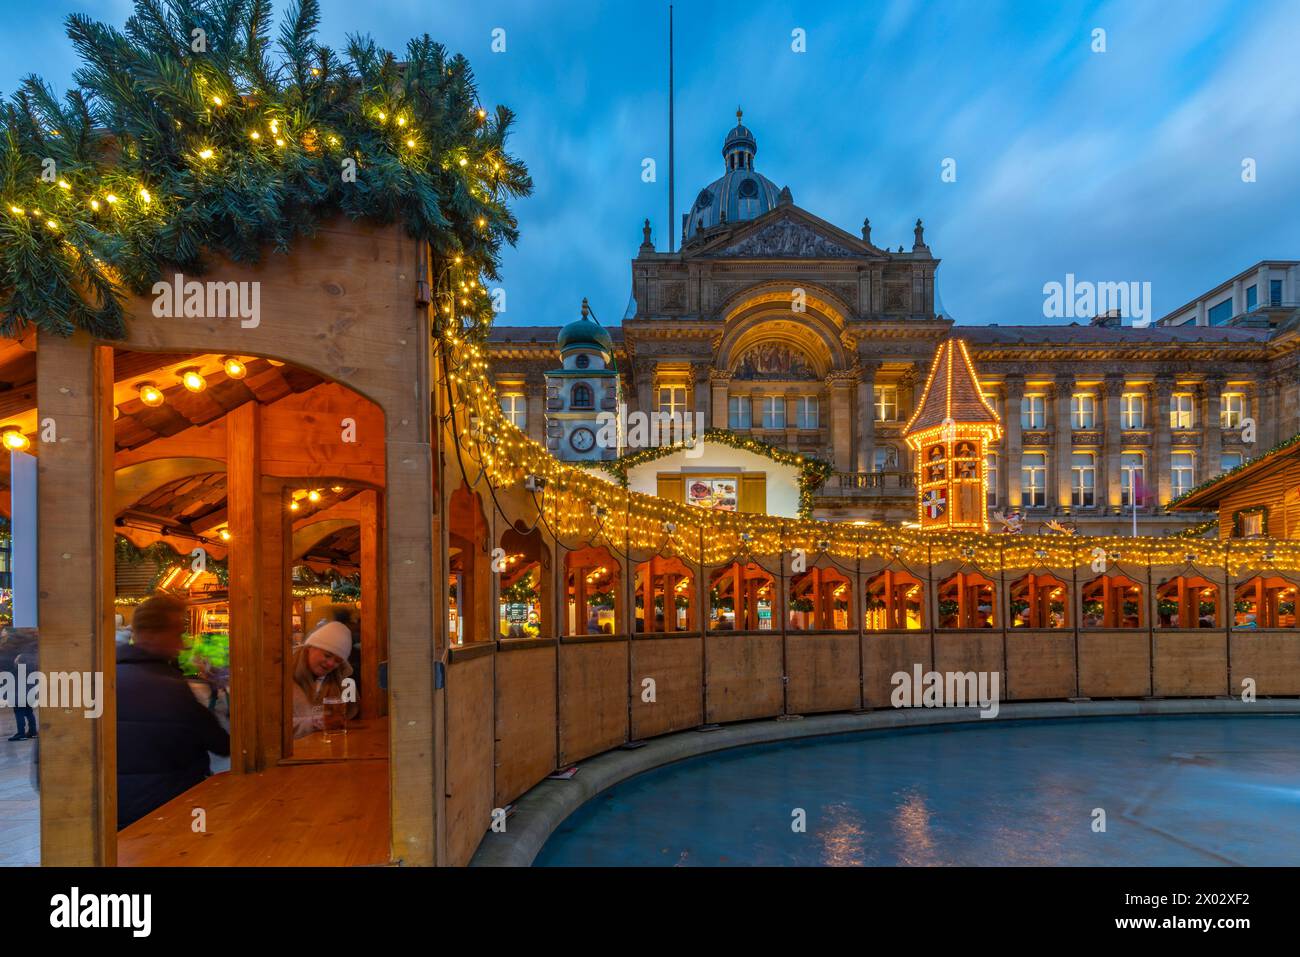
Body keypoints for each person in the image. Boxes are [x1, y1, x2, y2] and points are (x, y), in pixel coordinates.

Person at [117, 595, 230, 830]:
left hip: (116, 818)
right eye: (178, 633)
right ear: (154, 635)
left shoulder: (101, 678)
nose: (184, 644)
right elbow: (223, 744)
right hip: (168, 815)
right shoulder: (171, 688)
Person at [290, 621, 359, 739]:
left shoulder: (342, 682)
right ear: (310, 648)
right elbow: (271, 726)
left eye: (338, 661)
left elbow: (352, 717)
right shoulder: (280, 678)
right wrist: (312, 723)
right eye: (327, 655)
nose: (331, 664)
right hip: (290, 753)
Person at [0, 627, 39, 741]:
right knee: (28, 711)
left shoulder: (18, 660)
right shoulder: (30, 656)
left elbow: (12, 673)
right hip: (28, 690)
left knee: (19, 711)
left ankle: (21, 734)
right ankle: (32, 731)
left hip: (19, 691)